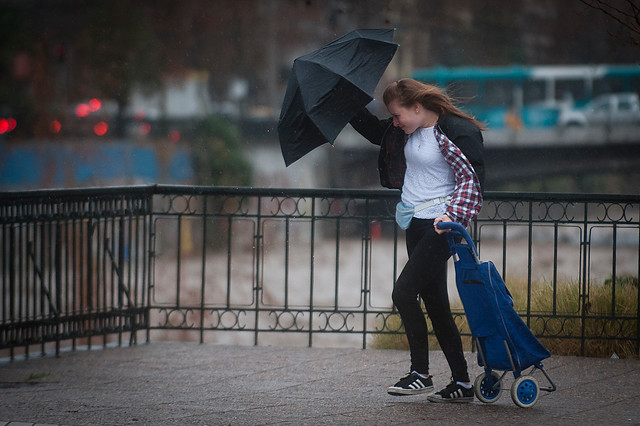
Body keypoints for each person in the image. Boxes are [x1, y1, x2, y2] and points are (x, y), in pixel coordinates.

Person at [350, 78, 485, 403]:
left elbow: (473, 178)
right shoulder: (404, 131)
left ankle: (420, 374)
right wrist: (345, 102)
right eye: (392, 118)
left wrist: (452, 216)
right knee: (436, 304)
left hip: (441, 226)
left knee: (403, 292)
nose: (394, 122)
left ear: (417, 106)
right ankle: (463, 384)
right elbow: (372, 129)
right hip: (415, 222)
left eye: (398, 115)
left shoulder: (454, 130)